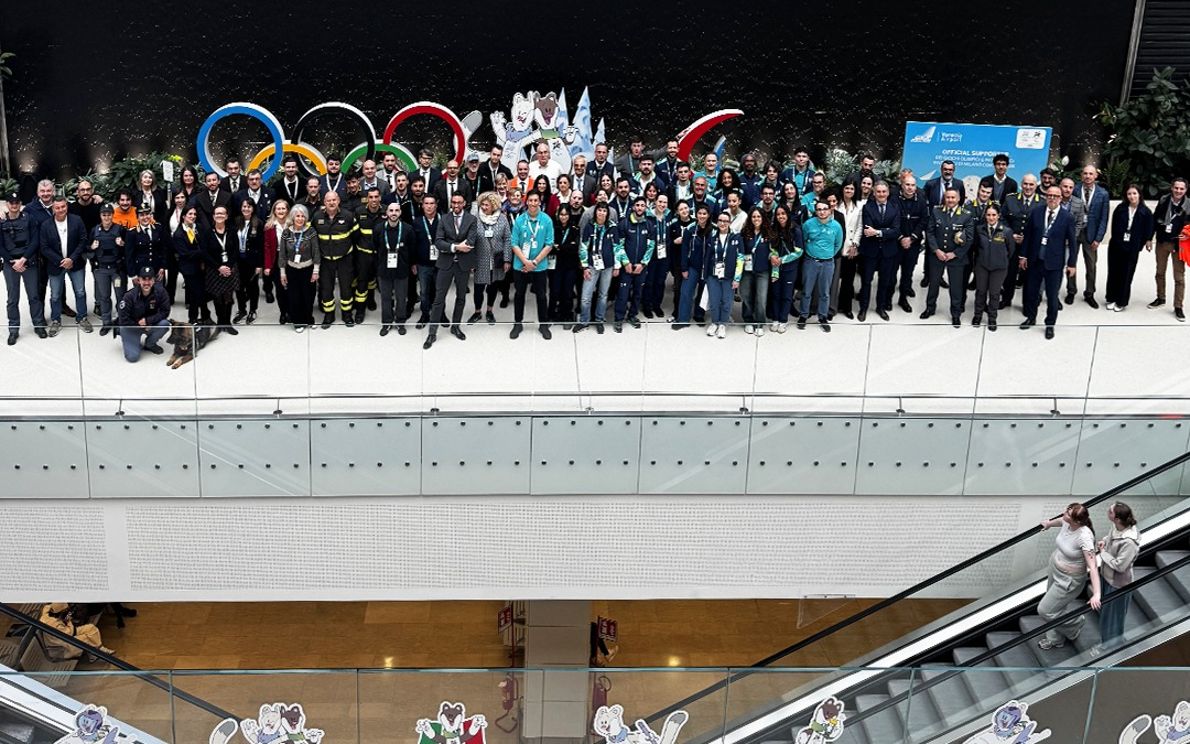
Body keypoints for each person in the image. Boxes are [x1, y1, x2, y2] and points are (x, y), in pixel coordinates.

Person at [1037, 504, 1102, 650]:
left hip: (1069, 580)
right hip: (1055, 567)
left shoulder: (1084, 537)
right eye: (1067, 511)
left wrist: (1097, 594)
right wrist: (1048, 524)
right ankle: (1055, 639)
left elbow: (1092, 567)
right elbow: (1060, 521)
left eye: (1068, 513)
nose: (1063, 514)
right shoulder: (1067, 521)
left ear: (1077, 522)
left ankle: (1075, 623)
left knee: (1046, 610)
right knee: (1055, 608)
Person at [1021, 185, 1079, 339]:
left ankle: (1050, 324)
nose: (1052, 198)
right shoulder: (1037, 212)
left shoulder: (1067, 217)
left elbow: (1073, 243)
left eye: (1056, 196)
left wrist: (1072, 263)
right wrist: (1023, 256)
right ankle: (1031, 318)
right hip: (1035, 261)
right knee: (1032, 293)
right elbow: (1028, 236)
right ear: (1046, 196)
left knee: (1052, 297)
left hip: (1054, 264)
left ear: (1061, 198)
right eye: (1050, 195)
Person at [425, 193, 480, 348]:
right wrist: (456, 247)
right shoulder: (444, 219)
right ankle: (432, 333)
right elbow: (438, 242)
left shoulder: (472, 220)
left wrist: (452, 244)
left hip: (463, 265)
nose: (456, 206)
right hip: (445, 264)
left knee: (461, 297)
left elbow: (470, 241)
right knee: (438, 299)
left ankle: (455, 326)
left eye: (459, 203)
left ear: (464, 204)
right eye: (453, 202)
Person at [922, 189, 975, 326]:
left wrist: (955, 253)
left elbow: (969, 239)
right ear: (944, 198)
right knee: (933, 284)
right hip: (937, 256)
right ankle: (930, 308)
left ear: (958, 199)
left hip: (956, 258)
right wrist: (936, 250)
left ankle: (956, 314)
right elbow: (930, 232)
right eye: (948, 197)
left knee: (956, 288)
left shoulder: (966, 215)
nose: (950, 200)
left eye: (953, 197)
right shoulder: (936, 211)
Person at [39, 196, 91, 336]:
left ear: (66, 206)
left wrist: (71, 259)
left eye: (63, 206)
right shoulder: (46, 225)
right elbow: (44, 247)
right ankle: (56, 320)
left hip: (76, 263)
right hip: (56, 265)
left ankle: (82, 317)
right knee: (55, 295)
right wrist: (61, 260)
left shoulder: (76, 220)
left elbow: (83, 240)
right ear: (53, 208)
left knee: (80, 292)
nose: (61, 209)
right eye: (57, 207)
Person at [0, 192, 47, 344]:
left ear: (20, 203)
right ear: (7, 204)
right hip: (10, 265)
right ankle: (14, 329)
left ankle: (38, 325)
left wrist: (23, 259)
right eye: (11, 202)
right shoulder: (1, 221)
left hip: (28, 263)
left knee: (34, 296)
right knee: (12, 299)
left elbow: (35, 240)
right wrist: (13, 262)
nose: (14, 205)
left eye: (17, 202)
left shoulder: (29, 219)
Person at [508, 191, 554, 340]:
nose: (533, 203)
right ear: (526, 202)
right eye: (530, 200)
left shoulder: (546, 220)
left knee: (541, 295)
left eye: (536, 200)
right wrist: (525, 262)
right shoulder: (520, 220)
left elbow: (549, 244)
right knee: (519, 294)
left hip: (539, 266)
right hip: (520, 265)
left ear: (539, 202)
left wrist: (534, 262)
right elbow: (514, 243)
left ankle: (543, 324)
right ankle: (517, 323)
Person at [1096, 501, 1139, 654]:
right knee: (1107, 612)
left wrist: (1103, 554)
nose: (1108, 511)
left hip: (1118, 584)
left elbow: (1120, 566)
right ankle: (1109, 641)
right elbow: (1111, 538)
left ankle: (1109, 646)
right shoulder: (1116, 527)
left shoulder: (1130, 542)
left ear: (1117, 519)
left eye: (1111, 511)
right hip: (1107, 577)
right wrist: (1105, 542)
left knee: (1113, 615)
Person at [1065, 165, 1110, 308]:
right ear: (1081, 175)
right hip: (1074, 232)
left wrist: (1098, 238)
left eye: (1091, 174)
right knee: (1071, 262)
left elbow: (1104, 218)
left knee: (1091, 266)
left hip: (1091, 235)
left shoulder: (1103, 194)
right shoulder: (1074, 189)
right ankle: (1071, 290)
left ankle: (1089, 293)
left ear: (1096, 176)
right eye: (1085, 173)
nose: (1088, 176)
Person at [1106, 185, 1156, 312]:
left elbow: (1149, 230)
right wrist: (1119, 242)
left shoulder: (1145, 212)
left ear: (1139, 194)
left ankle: (1121, 301)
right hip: (1117, 245)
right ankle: (1111, 297)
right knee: (1113, 272)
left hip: (1132, 248)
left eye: (1134, 193)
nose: (1132, 196)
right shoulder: (1120, 208)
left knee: (1126, 274)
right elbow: (1114, 227)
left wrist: (1143, 243)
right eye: (1129, 194)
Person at [312, 191, 357, 328]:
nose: (331, 203)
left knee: (346, 288)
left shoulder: (348, 216)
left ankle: (347, 315)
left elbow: (356, 236)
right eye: (328, 200)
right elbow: (313, 238)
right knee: (326, 289)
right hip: (325, 260)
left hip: (344, 259)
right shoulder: (317, 216)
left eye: (334, 200)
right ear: (324, 202)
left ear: (338, 201)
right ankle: (329, 315)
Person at [467, 191, 512, 325]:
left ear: (493, 206)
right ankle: (477, 312)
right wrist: (471, 261)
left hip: (496, 259)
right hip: (480, 259)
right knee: (478, 289)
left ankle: (489, 311)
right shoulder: (475, 218)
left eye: (487, 205)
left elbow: (508, 239)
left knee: (493, 287)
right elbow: (471, 240)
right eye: (482, 205)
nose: (484, 207)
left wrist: (507, 259)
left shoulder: (502, 219)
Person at [857, 181, 900, 321]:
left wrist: (878, 232)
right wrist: (885, 231)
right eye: (878, 192)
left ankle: (880, 307)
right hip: (870, 251)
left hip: (888, 252)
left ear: (888, 193)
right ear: (873, 193)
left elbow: (896, 231)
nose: (881, 194)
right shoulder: (867, 207)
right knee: (866, 281)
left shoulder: (895, 207)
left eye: (884, 191)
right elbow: (867, 230)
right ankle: (863, 308)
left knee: (884, 282)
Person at [1000, 175, 1043, 310]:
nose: (1028, 187)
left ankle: (1027, 304)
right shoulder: (1010, 199)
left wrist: (1028, 238)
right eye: (1025, 184)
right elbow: (1002, 219)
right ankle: (1006, 300)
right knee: (1009, 274)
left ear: (1036, 186)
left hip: (1031, 246)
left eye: (1031, 184)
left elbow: (1043, 225)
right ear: (1021, 184)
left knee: (1029, 276)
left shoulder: (1042, 202)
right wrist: (1010, 234)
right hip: (1012, 244)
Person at [800, 201, 845, 332]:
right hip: (811, 262)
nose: (822, 212)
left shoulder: (836, 226)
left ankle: (823, 317)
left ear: (830, 210)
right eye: (819, 209)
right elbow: (803, 240)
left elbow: (838, 244)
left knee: (825, 292)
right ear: (816, 211)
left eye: (825, 209)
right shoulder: (808, 224)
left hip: (828, 263)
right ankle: (803, 315)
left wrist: (827, 254)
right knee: (806, 291)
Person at [575, 202, 618, 334]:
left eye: (604, 211)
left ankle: (599, 320)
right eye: (599, 210)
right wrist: (585, 266)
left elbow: (617, 247)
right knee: (586, 296)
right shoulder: (589, 226)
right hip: (592, 266)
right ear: (595, 212)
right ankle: (584, 321)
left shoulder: (613, 227)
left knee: (603, 294)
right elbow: (583, 247)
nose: (601, 213)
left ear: (607, 213)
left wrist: (617, 265)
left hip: (608, 266)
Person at [614, 197, 654, 332]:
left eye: (643, 205)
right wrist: (625, 263)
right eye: (637, 205)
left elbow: (651, 246)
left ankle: (632, 315)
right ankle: (619, 318)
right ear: (633, 207)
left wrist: (643, 264)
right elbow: (619, 246)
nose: (640, 208)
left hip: (641, 267)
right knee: (623, 293)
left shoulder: (648, 225)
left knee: (638, 293)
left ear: (646, 208)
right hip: (627, 266)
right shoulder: (624, 224)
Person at [1150, 177, 1188, 319]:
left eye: (1181, 188)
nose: (1178, 191)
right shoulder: (1163, 200)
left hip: (1179, 246)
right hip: (1162, 242)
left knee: (1179, 278)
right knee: (1160, 272)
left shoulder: (1189, 205)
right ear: (1171, 188)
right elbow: (1155, 220)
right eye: (1176, 188)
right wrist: (1149, 238)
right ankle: (1161, 298)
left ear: (1185, 190)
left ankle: (1178, 306)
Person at [971, 204, 1013, 330]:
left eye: (994, 215)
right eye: (988, 215)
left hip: (999, 268)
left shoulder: (1006, 231)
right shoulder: (979, 229)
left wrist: (1000, 260)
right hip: (982, 266)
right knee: (981, 291)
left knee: (994, 294)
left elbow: (1011, 251)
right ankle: (977, 315)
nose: (991, 217)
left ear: (998, 216)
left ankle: (992, 318)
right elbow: (975, 248)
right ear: (985, 216)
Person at [375, 202, 414, 336]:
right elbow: (375, 246)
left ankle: (400, 322)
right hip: (384, 269)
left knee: (401, 297)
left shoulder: (408, 229)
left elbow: (412, 249)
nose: (393, 213)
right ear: (386, 213)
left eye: (396, 210)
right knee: (385, 297)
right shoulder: (379, 229)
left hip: (402, 269)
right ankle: (386, 323)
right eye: (391, 210)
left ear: (400, 213)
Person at [279, 204, 319, 332]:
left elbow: (316, 252)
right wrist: (282, 273)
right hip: (292, 270)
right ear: (293, 217)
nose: (300, 219)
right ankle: (298, 322)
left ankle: (309, 319)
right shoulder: (286, 233)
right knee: (294, 297)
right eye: (297, 216)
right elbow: (282, 254)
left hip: (308, 269)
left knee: (309, 295)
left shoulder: (311, 231)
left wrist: (316, 271)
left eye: (303, 216)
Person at [117, 266, 170, 362]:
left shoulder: (161, 292)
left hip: (149, 324)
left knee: (165, 324)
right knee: (132, 358)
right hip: (131, 327)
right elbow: (123, 320)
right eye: (143, 279)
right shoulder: (129, 296)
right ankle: (127, 338)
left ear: (154, 280)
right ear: (138, 280)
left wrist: (148, 321)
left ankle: (150, 344)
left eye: (150, 279)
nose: (147, 283)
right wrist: (139, 325)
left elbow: (165, 311)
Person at [89, 204, 127, 336]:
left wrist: (122, 244)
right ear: (100, 216)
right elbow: (87, 249)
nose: (107, 217)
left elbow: (129, 248)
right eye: (104, 215)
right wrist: (92, 248)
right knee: (104, 297)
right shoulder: (95, 230)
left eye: (109, 214)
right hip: (102, 270)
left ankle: (121, 321)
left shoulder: (120, 229)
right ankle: (106, 322)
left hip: (116, 271)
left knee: (120, 296)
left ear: (113, 215)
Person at [704, 211, 742, 338]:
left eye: (726, 221)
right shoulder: (712, 236)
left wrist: (737, 278)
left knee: (727, 301)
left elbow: (740, 258)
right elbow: (707, 256)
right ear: (717, 222)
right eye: (720, 220)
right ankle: (714, 322)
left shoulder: (736, 237)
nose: (722, 223)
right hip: (713, 275)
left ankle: (723, 324)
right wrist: (705, 275)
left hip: (729, 276)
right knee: (714, 301)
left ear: (730, 223)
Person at [895, 174, 930, 312]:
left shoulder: (921, 201)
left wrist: (911, 238)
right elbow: (892, 220)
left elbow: (924, 221)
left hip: (913, 243)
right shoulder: (894, 200)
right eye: (907, 185)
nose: (910, 188)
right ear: (902, 185)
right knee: (891, 272)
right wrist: (901, 238)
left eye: (913, 185)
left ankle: (903, 298)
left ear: (916, 187)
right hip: (896, 242)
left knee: (907, 272)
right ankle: (886, 298)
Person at [674, 205, 713, 329]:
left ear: (708, 215)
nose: (702, 216)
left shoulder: (714, 229)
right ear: (696, 215)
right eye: (699, 213)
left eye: (704, 214)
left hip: (707, 268)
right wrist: (684, 268)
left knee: (703, 292)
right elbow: (684, 249)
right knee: (686, 292)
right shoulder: (690, 229)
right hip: (692, 266)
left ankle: (699, 315)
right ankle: (682, 319)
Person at [203, 205, 239, 336]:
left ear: (227, 216)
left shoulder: (232, 231)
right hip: (215, 269)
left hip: (230, 268)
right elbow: (205, 253)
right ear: (213, 216)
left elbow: (236, 250)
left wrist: (228, 266)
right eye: (217, 213)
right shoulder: (207, 232)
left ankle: (227, 323)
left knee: (228, 297)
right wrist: (219, 267)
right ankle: (220, 322)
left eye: (222, 213)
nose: (219, 215)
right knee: (218, 297)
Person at [352, 187, 386, 322]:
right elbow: (354, 234)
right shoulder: (359, 212)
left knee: (373, 280)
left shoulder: (386, 211)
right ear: (367, 198)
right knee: (362, 282)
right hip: (363, 255)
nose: (374, 200)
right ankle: (360, 311)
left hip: (380, 255)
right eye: (371, 197)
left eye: (376, 197)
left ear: (380, 198)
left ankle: (371, 299)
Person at [172, 205, 210, 324]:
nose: (193, 216)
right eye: (190, 214)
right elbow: (185, 254)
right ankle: (203, 316)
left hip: (201, 266)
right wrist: (202, 252)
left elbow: (204, 243)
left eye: (194, 214)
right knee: (197, 293)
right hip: (188, 269)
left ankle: (196, 318)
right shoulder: (178, 234)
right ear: (184, 216)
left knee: (197, 294)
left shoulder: (198, 227)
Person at [769, 205, 803, 332]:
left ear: (788, 214)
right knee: (776, 294)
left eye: (783, 213)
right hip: (775, 269)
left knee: (787, 295)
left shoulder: (796, 230)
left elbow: (799, 252)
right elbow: (771, 247)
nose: (781, 216)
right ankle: (776, 319)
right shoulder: (773, 229)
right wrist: (772, 257)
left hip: (790, 268)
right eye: (778, 214)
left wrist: (782, 260)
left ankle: (783, 320)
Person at [39, 603, 114, 660]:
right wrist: (68, 619)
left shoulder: (48, 612)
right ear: (61, 612)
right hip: (62, 647)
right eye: (66, 610)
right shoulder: (55, 625)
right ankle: (100, 653)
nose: (68, 611)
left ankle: (98, 650)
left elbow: (48, 606)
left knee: (91, 628)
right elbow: (70, 633)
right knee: (86, 639)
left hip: (64, 636)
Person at [739, 209, 772, 336]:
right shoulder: (745, 232)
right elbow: (741, 251)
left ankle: (759, 323)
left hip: (762, 271)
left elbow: (773, 251)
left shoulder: (768, 233)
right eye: (753, 216)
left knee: (761, 297)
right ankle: (748, 320)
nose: (756, 219)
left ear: (763, 218)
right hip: (747, 270)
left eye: (759, 216)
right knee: (746, 294)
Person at [232, 197, 264, 324]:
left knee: (252, 287)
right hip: (238, 260)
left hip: (252, 261)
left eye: (249, 206)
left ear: (253, 208)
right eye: (244, 206)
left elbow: (261, 245)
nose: (246, 209)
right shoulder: (235, 221)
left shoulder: (258, 223)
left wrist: (259, 264)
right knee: (239, 287)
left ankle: (252, 310)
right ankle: (242, 310)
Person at [834, 183, 862, 319]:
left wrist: (855, 245)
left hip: (851, 248)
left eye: (852, 189)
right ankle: (832, 306)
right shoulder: (836, 204)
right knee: (833, 280)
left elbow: (860, 227)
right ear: (843, 190)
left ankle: (846, 307)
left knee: (848, 280)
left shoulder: (859, 206)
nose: (849, 191)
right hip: (836, 248)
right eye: (847, 188)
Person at [550, 203, 581, 325]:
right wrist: (566, 247)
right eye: (561, 214)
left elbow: (574, 248)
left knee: (568, 291)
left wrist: (560, 247)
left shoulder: (574, 228)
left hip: (570, 265)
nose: (563, 217)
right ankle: (552, 313)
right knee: (555, 290)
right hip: (555, 265)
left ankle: (567, 314)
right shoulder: (553, 227)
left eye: (566, 214)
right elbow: (550, 247)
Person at [642, 194, 672, 320]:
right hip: (651, 255)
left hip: (664, 255)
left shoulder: (669, 216)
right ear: (655, 201)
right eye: (660, 202)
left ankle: (657, 305)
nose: (662, 205)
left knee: (660, 281)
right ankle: (647, 306)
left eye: (665, 202)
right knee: (649, 281)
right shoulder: (648, 216)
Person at [412, 195, 440, 328]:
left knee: (439, 290)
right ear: (422, 206)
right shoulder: (417, 222)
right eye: (426, 203)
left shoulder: (443, 220)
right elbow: (413, 244)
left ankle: (440, 314)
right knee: (424, 292)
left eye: (432, 203)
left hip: (441, 264)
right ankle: (425, 315)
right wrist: (413, 263)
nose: (429, 206)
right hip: (423, 264)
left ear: (436, 205)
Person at [262, 200, 291, 324]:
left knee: (291, 288)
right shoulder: (269, 227)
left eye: (283, 208)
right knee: (280, 289)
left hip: (292, 260)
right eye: (278, 209)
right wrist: (267, 266)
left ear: (288, 210)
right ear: (274, 211)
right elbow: (267, 248)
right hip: (276, 259)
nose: (281, 211)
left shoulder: (293, 224)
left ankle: (291, 311)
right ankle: (283, 312)